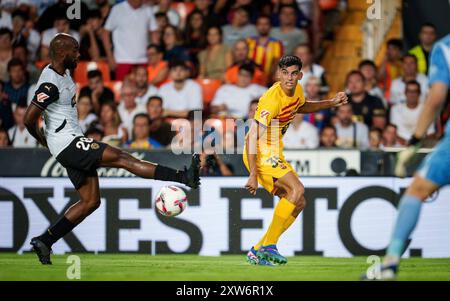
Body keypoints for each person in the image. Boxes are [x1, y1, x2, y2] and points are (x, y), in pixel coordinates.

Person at [24, 34, 200, 265]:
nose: (79, 55)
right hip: (68, 143)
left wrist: (54, 144)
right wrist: (47, 142)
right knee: (122, 157)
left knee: (90, 201)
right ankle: (183, 176)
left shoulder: (64, 74)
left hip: (69, 142)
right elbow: (29, 119)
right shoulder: (49, 83)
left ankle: (45, 240)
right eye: (75, 51)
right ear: (62, 52)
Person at [244, 55, 347, 265]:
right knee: (297, 189)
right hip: (261, 152)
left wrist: (331, 102)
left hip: (274, 152)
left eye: (294, 74)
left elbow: (301, 106)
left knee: (298, 202)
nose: (290, 78)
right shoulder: (272, 100)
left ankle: (257, 250)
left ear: (300, 75)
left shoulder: (297, 90)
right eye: (285, 73)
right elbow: (251, 137)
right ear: (279, 74)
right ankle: (269, 246)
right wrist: (253, 175)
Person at [365, 34, 450, 280]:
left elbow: (435, 98)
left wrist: (415, 141)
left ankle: (390, 263)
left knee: (416, 190)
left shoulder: (444, 47)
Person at [102, 0, 157, 80]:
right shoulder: (117, 9)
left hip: (144, 60)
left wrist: (154, 55)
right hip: (122, 60)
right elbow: (105, 33)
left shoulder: (148, 9)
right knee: (124, 90)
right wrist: (110, 57)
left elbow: (154, 33)